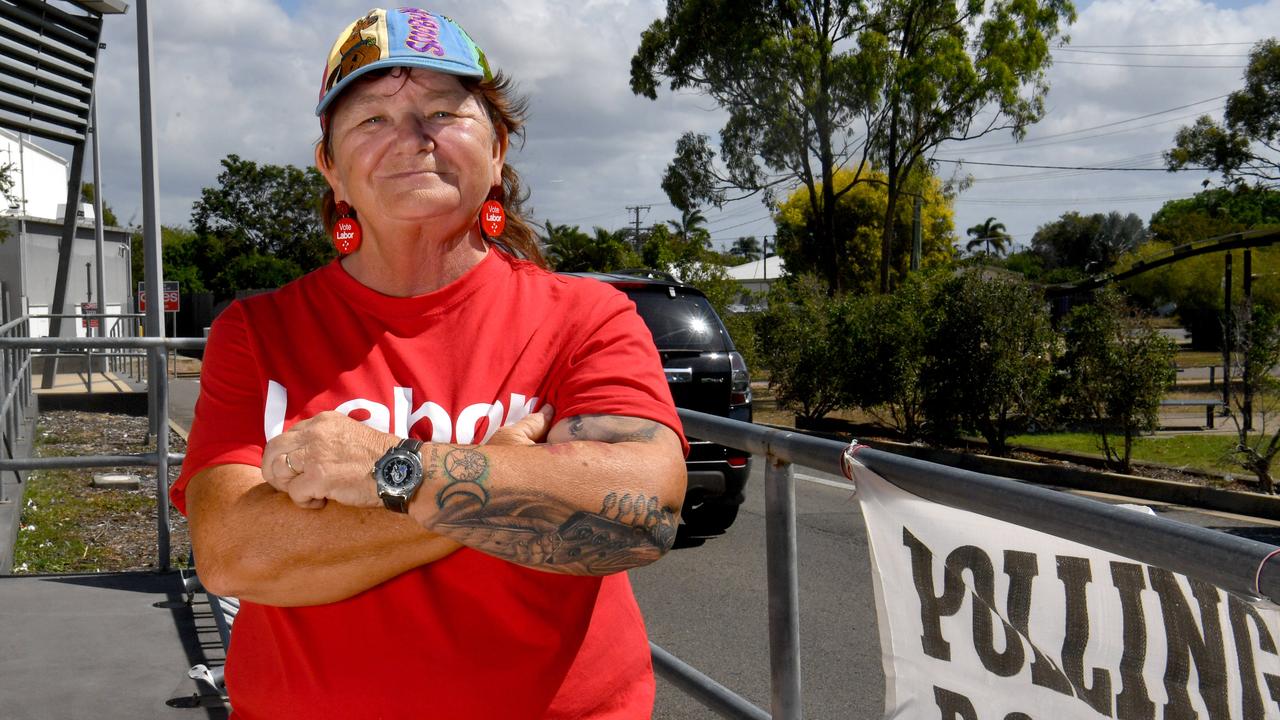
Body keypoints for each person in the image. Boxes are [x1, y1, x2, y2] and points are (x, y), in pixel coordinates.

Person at [170, 8, 688, 718]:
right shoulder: (258, 333)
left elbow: (640, 514)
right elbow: (234, 552)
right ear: (332, 168)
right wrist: (493, 475)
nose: (412, 139)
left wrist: (393, 469)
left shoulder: (585, 317)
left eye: (443, 111)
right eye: (372, 120)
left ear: (498, 149)